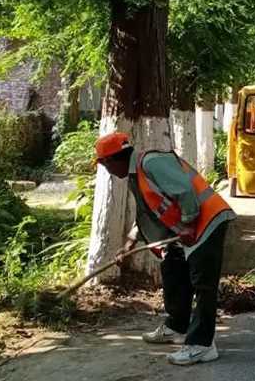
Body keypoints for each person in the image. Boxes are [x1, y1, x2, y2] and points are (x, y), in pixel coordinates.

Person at [95, 132, 237, 366]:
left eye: (103, 165)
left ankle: (202, 345)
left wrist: (189, 224)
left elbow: (184, 191)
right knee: (172, 269)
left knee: (203, 284)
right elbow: (149, 213)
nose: (106, 171)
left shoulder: (150, 163)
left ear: (110, 161)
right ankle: (177, 326)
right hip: (185, 230)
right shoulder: (136, 174)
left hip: (207, 222)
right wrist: (129, 244)